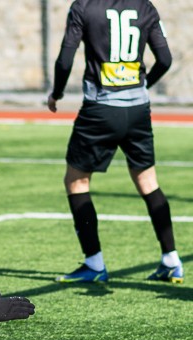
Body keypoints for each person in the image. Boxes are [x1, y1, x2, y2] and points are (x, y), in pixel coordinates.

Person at [47, 0, 183, 284]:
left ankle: (94, 264)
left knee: (76, 181)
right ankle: (171, 260)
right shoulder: (145, 6)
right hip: (138, 109)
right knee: (148, 182)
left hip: (101, 110)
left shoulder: (84, 6)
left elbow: (65, 59)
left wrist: (56, 93)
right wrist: (144, 84)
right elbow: (165, 60)